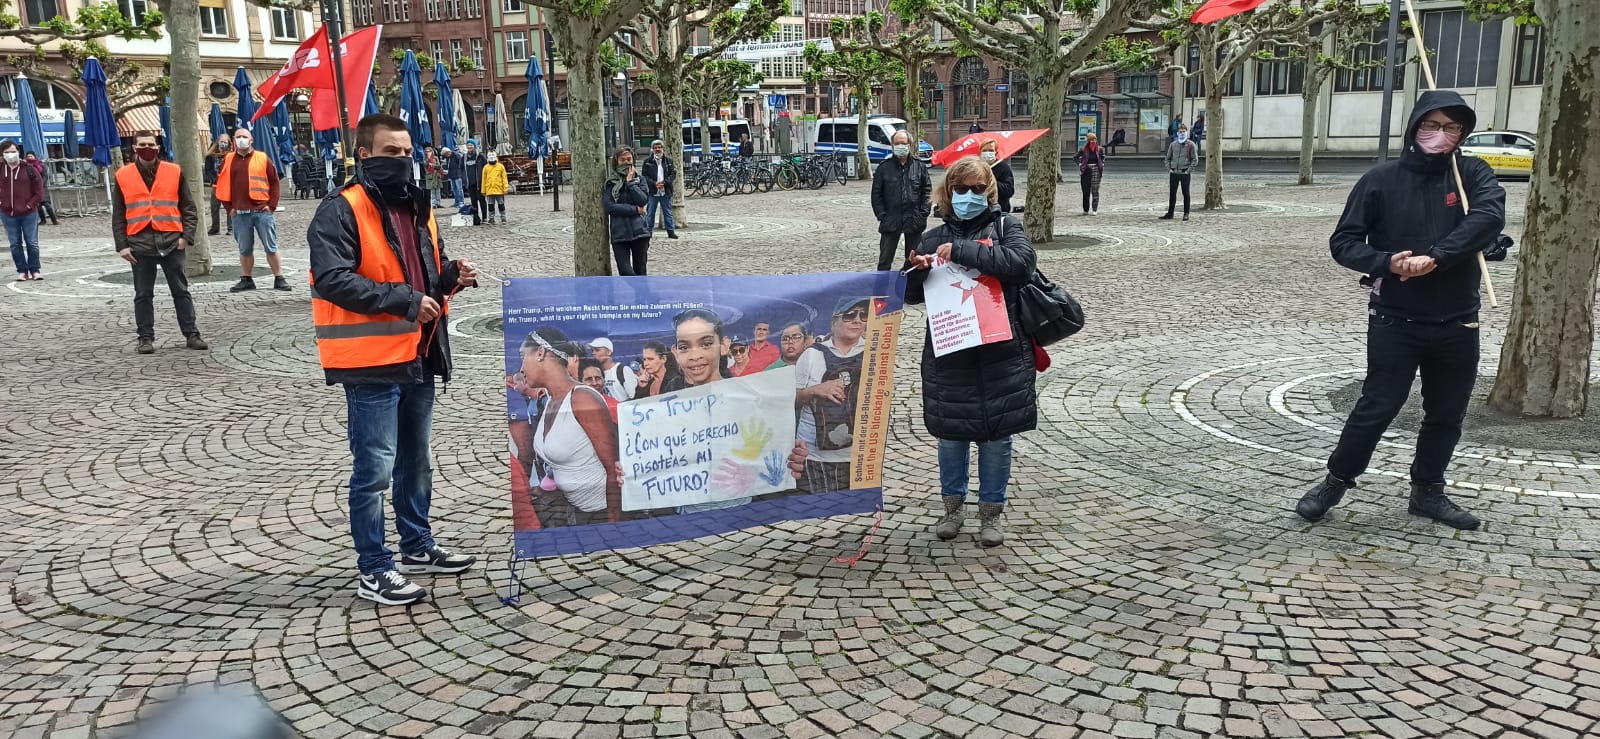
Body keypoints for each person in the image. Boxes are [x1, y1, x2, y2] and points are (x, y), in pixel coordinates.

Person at [1294, 91, 1506, 532]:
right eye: (1432, 125)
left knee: (1446, 413)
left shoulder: (1470, 174)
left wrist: (1439, 256)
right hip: (1395, 319)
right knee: (1377, 405)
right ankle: (1337, 478)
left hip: (1457, 319)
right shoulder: (1380, 180)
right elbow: (1344, 242)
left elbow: (1488, 217)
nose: (1440, 135)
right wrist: (1387, 262)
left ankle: (1428, 490)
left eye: (1452, 127)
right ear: (1414, 127)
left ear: (1462, 132)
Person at [306, 113, 480, 606]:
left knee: (416, 463)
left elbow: (423, 275)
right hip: (369, 362)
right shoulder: (339, 209)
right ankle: (374, 567)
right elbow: (332, 278)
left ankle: (417, 543)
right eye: (390, 153)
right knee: (374, 469)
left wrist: (449, 277)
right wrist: (404, 300)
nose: (402, 161)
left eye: (407, 153)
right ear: (364, 155)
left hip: (419, 356)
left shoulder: (419, 206)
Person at [903, 155, 1038, 548]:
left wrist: (961, 250)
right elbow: (909, 293)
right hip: (951, 354)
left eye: (977, 189)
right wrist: (918, 271)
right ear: (948, 193)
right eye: (960, 190)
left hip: (1002, 354)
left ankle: (991, 512)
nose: (967, 196)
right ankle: (953, 508)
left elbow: (1021, 264)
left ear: (990, 191)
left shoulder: (1006, 227)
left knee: (997, 439)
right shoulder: (930, 237)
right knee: (952, 435)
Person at [516, 327, 623, 526]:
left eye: (523, 356)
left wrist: (613, 526)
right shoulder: (551, 400)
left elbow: (614, 469)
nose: (521, 368)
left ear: (541, 353)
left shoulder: (582, 398)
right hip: (575, 512)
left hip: (600, 514)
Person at [113, 131, 207, 355]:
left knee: (181, 291)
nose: (147, 148)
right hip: (139, 244)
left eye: (151, 144)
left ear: (158, 147)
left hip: (171, 242)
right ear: (134, 148)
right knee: (143, 294)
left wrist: (186, 238)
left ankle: (191, 333)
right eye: (142, 144)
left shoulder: (174, 171)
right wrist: (122, 245)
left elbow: (189, 208)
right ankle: (145, 337)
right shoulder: (123, 175)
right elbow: (119, 214)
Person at [793, 297, 870, 493]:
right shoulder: (812, 354)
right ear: (833, 321)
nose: (858, 320)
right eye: (850, 315)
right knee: (819, 518)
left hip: (862, 456)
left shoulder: (875, 352)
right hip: (817, 456)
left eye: (864, 315)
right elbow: (791, 400)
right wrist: (815, 390)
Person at [218, 127, 288, 292]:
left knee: (271, 246)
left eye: (244, 136)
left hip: (261, 212)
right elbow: (221, 185)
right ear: (234, 140)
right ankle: (247, 279)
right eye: (238, 137)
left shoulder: (262, 158)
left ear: (251, 140)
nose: (241, 139)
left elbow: (275, 183)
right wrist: (229, 208)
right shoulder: (228, 159)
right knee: (244, 249)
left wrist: (271, 206)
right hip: (240, 213)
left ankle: (279, 278)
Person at [870, 130, 931, 272]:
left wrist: (922, 214)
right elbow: (876, 195)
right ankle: (881, 291)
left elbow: (927, 192)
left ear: (909, 144)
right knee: (885, 260)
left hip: (914, 220)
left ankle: (911, 291)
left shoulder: (919, 167)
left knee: (914, 261)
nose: (900, 146)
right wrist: (882, 216)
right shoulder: (884, 168)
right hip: (891, 220)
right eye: (897, 143)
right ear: (892, 145)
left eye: (903, 143)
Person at [604, 146, 651, 276]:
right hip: (619, 234)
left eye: (629, 159)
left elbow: (642, 200)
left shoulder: (640, 180)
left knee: (640, 271)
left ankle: (642, 296)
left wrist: (631, 184)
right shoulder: (610, 183)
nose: (626, 162)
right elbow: (610, 207)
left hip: (640, 232)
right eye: (622, 160)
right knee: (625, 271)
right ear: (616, 162)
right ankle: (648, 293)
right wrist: (635, 209)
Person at [1, 140, 44, 281]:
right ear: (2, 154)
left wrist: (29, 205)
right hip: (8, 213)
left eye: (13, 151)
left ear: (18, 152)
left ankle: (35, 270)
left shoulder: (30, 169)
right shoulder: (1, 169)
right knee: (15, 244)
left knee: (32, 242)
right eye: (7, 152)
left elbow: (39, 192)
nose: (10, 155)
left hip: (28, 213)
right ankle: (22, 270)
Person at [641, 139, 677, 240]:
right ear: (652, 149)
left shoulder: (669, 161)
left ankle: (671, 232)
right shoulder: (647, 162)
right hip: (653, 192)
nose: (657, 149)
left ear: (662, 148)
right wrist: (653, 183)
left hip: (665, 191)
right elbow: (644, 176)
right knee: (650, 213)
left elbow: (673, 174)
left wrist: (665, 183)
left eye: (659, 147)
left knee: (668, 213)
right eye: (655, 147)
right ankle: (648, 232)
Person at [1161, 124, 1198, 221]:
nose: (1182, 133)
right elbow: (1168, 158)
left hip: (1184, 172)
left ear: (1186, 132)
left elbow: (1195, 160)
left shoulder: (1191, 145)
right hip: (1174, 172)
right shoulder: (1173, 145)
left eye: (1183, 131)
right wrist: (1169, 168)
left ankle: (1186, 213)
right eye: (1180, 131)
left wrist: (1188, 171)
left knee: (1185, 193)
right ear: (1177, 132)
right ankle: (1170, 212)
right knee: (1172, 193)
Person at [579, 358, 621, 424]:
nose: (594, 383)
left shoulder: (615, 406)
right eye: (589, 379)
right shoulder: (574, 407)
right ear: (580, 382)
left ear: (604, 380)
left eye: (598, 378)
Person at [204, 134, 231, 236]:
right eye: (221, 142)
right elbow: (208, 170)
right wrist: (214, 179)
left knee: (229, 206)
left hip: (228, 185)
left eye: (225, 142)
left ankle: (231, 228)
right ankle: (215, 228)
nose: (223, 144)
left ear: (228, 144)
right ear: (217, 142)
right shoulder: (211, 155)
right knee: (214, 207)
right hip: (216, 184)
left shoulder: (230, 155)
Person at [979, 140, 1014, 214]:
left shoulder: (1004, 167)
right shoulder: (976, 167)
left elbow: (1009, 190)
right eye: (984, 150)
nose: (987, 153)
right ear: (980, 153)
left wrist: (991, 180)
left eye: (991, 150)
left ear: (996, 152)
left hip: (999, 209)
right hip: (980, 210)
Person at [24, 152, 58, 226]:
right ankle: (43, 220)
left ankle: (54, 220)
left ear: (34, 156)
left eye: (31, 156)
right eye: (28, 156)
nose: (30, 157)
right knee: (38, 205)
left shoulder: (41, 165)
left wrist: (41, 184)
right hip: (32, 188)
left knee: (47, 205)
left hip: (43, 187)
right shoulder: (26, 167)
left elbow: (45, 176)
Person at [1077, 133, 1106, 216]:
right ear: (1088, 141)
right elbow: (1075, 157)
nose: (1093, 141)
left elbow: (1103, 157)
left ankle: (1094, 209)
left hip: (1096, 170)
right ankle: (1085, 209)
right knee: (1086, 191)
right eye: (1091, 140)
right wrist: (1080, 164)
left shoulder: (1099, 149)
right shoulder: (1083, 150)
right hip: (1086, 170)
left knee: (1095, 190)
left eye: (1094, 139)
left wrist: (1102, 163)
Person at [461, 141, 487, 226]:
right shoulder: (464, 157)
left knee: (482, 200)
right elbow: (460, 169)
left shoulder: (480, 156)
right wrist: (464, 180)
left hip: (479, 183)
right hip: (470, 183)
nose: (470, 147)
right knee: (473, 201)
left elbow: (486, 167)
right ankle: (476, 218)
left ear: (474, 146)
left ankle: (485, 217)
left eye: (471, 145)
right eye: (468, 145)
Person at [481, 152, 508, 224]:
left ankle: (503, 217)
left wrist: (505, 188)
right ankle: (491, 218)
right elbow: (483, 179)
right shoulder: (486, 167)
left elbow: (504, 178)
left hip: (499, 189)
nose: (492, 158)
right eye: (490, 156)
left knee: (501, 204)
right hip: (489, 189)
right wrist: (483, 190)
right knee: (490, 205)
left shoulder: (500, 166)